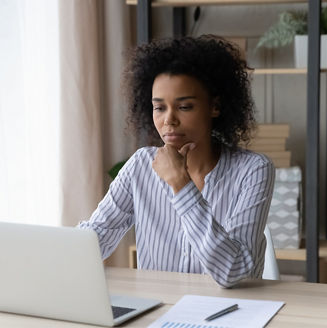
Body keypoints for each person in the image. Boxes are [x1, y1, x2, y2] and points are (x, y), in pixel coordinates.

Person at [78, 35, 275, 288]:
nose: (169, 120)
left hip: (230, 315)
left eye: (184, 107)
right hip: (158, 313)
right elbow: (96, 238)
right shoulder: (140, 165)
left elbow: (231, 271)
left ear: (214, 106)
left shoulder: (253, 171)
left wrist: (181, 184)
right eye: (159, 108)